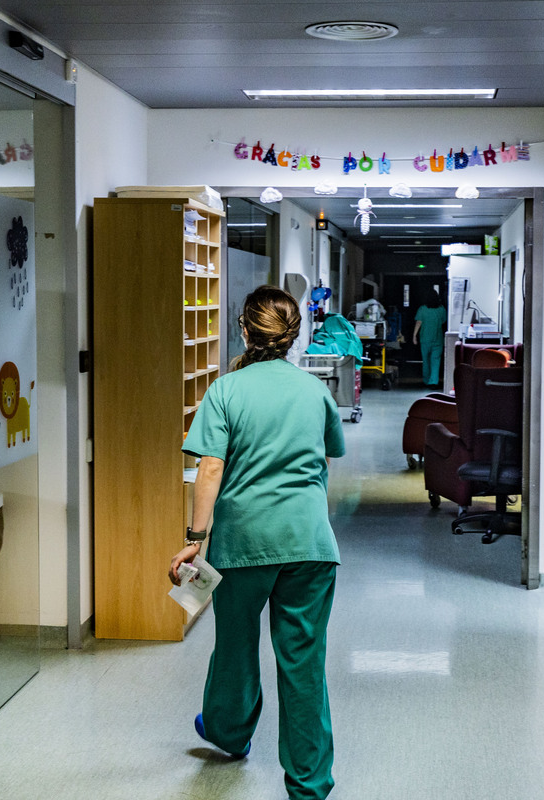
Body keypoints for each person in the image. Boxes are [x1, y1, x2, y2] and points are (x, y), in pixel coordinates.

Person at [169, 284, 346, 800]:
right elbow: (326, 458)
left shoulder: (226, 390)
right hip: (310, 545)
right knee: (304, 662)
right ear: (294, 337)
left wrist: (194, 540)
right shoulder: (315, 391)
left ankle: (228, 732)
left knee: (235, 647)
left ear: (243, 329)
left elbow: (210, 467)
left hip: (244, 543)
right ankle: (310, 784)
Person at [413, 289, 447, 388]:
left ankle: (426, 380)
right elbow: (443, 321)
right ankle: (433, 381)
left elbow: (418, 323)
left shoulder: (422, 309)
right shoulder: (441, 309)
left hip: (425, 339)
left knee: (426, 360)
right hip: (437, 339)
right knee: (435, 360)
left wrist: (414, 336)